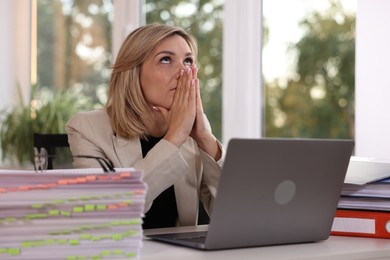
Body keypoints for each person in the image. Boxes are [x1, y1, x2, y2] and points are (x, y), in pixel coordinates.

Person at [65, 23, 224, 228]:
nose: (183, 72)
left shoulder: (194, 135)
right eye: (166, 60)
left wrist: (205, 138)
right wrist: (174, 138)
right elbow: (105, 213)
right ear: (134, 72)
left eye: (188, 61)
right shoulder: (86, 128)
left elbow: (239, 213)